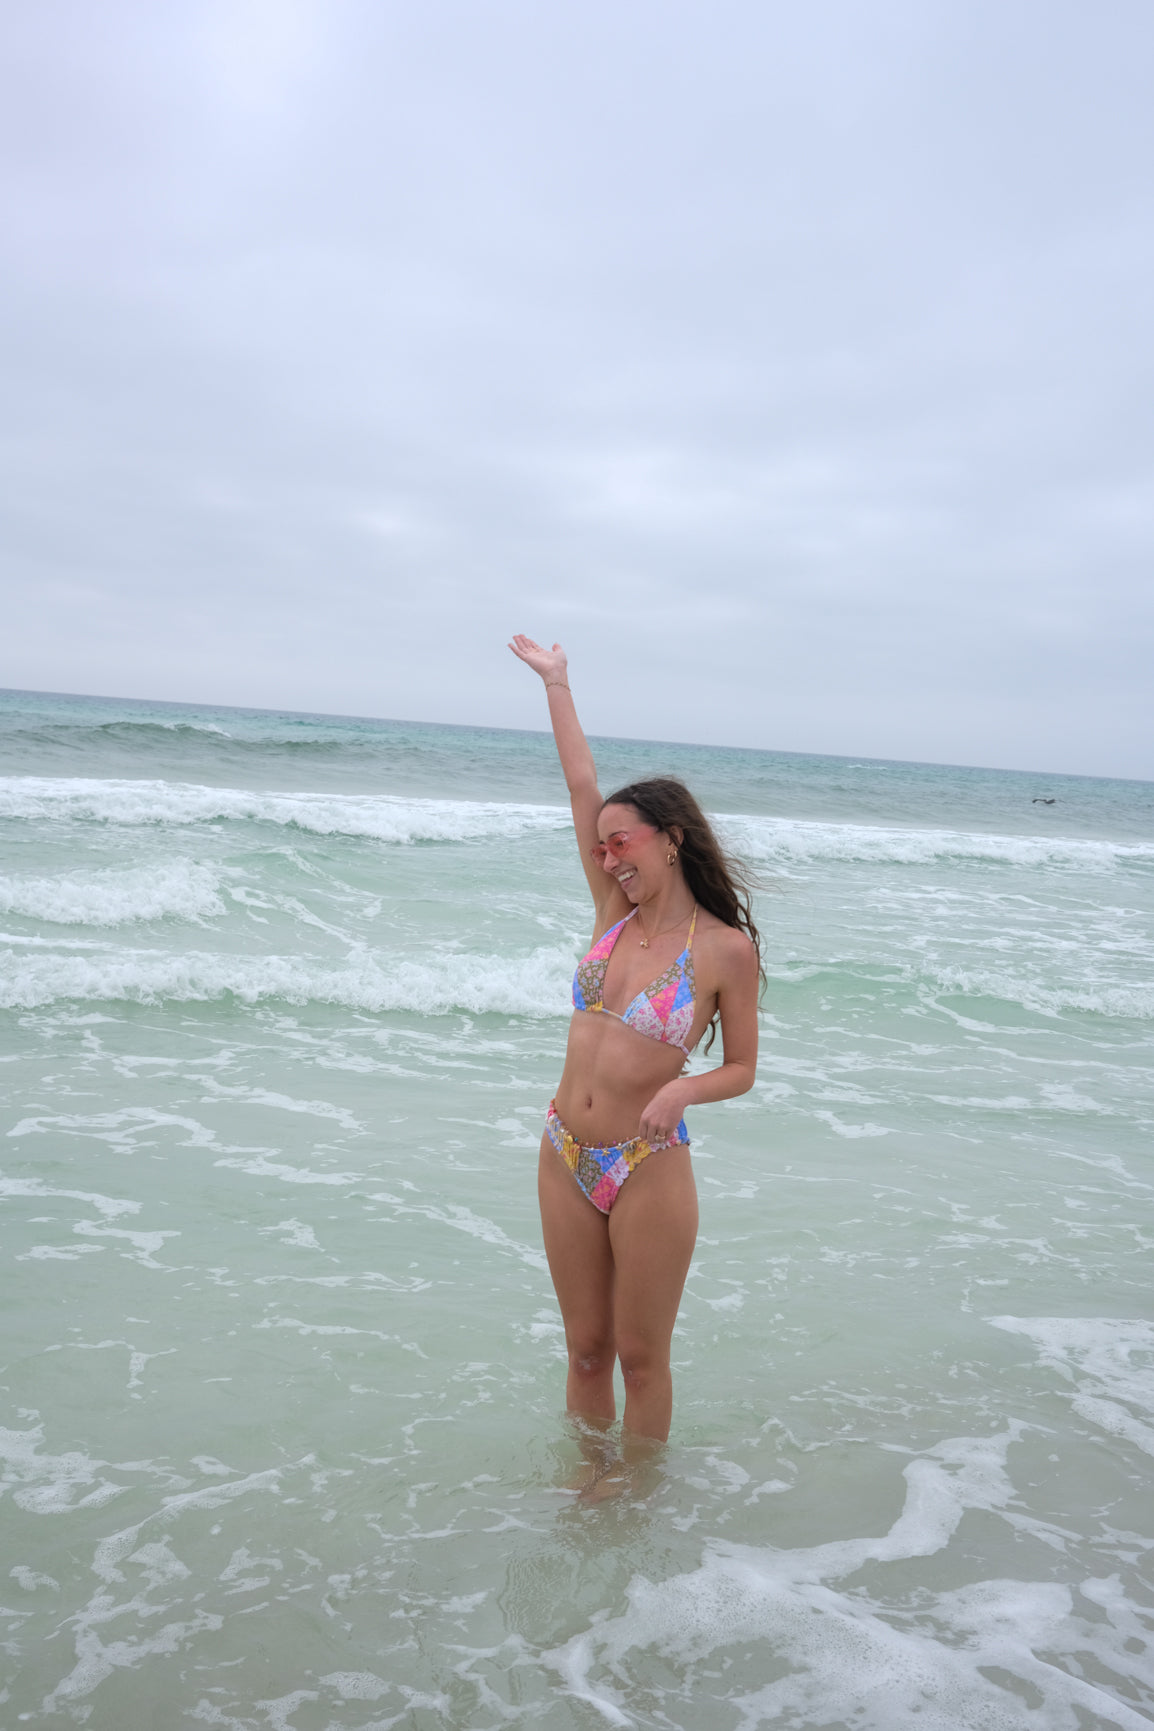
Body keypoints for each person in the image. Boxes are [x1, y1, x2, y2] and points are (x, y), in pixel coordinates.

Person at [509, 634, 762, 1479]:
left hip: (647, 1162)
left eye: (623, 844)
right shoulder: (608, 917)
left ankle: (640, 1505)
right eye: (602, 849)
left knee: (640, 1357)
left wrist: (685, 1087)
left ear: (672, 838)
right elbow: (582, 783)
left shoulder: (724, 950)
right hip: (563, 1150)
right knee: (585, 1353)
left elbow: (744, 1068)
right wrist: (557, 684)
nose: (609, 858)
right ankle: (589, 1493)